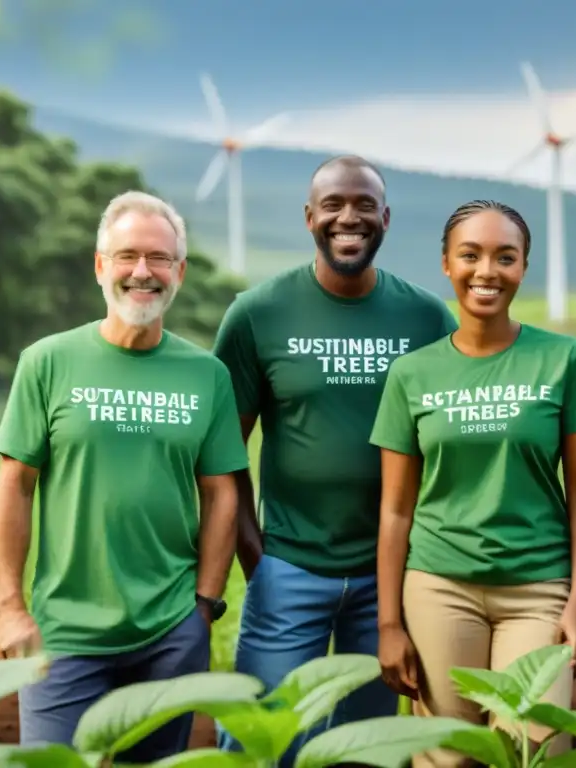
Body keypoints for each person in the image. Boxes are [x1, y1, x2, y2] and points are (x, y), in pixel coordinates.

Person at [211, 155, 459, 765]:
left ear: (386, 218)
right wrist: (255, 558)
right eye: (333, 205)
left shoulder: (426, 318)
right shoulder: (257, 314)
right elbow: (223, 455)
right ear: (309, 218)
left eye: (364, 205)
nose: (349, 217)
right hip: (288, 567)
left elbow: (453, 442)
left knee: (369, 748)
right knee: (259, 741)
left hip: (391, 579)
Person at [0, 191, 248, 761]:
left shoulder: (207, 375)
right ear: (100, 265)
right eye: (127, 255)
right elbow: (15, 484)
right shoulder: (47, 362)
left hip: (170, 632)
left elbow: (222, 492)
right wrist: (10, 608)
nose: (142, 272)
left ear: (179, 272)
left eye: (159, 258)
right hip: (63, 637)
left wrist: (204, 606)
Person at [369, 200, 576, 768]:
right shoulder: (412, 373)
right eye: (470, 255)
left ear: (523, 267)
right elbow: (396, 511)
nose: (487, 271)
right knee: (447, 758)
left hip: (538, 590)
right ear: (446, 265)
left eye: (505, 257)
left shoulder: (564, 359)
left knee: (533, 747)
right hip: (437, 589)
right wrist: (388, 623)